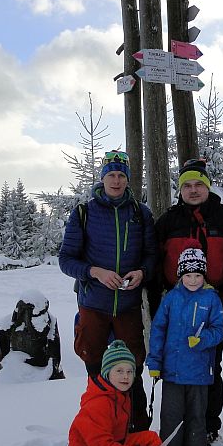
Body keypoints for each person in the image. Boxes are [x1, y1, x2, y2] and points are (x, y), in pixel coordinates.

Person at [59, 150, 157, 431]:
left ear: (128, 180)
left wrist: (142, 273)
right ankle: (98, 428)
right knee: (95, 369)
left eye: (121, 175)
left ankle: (137, 428)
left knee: (131, 370)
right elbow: (66, 260)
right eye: (111, 175)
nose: (116, 181)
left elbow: (151, 255)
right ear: (102, 179)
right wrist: (95, 272)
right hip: (93, 306)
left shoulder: (140, 213)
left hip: (127, 307)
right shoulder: (84, 213)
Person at [149, 158, 223, 446]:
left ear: (207, 186)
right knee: (175, 366)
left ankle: (209, 427)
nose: (192, 190)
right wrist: (156, 302)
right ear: (180, 189)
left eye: (198, 184)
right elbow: (153, 263)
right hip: (175, 308)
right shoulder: (168, 221)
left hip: (213, 308)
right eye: (187, 185)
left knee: (210, 367)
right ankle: (179, 425)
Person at [68, 340, 205, 446]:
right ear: (106, 373)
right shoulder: (98, 405)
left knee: (151, 439)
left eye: (129, 371)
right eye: (119, 371)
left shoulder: (118, 394)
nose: (125, 376)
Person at [147, 243, 223, 446]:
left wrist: (202, 339)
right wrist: (154, 363)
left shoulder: (211, 298)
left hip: (199, 372)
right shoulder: (171, 298)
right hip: (172, 371)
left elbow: (220, 329)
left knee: (196, 416)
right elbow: (158, 331)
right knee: (171, 416)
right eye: (188, 275)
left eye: (197, 275)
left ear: (204, 275)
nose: (193, 280)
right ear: (181, 275)